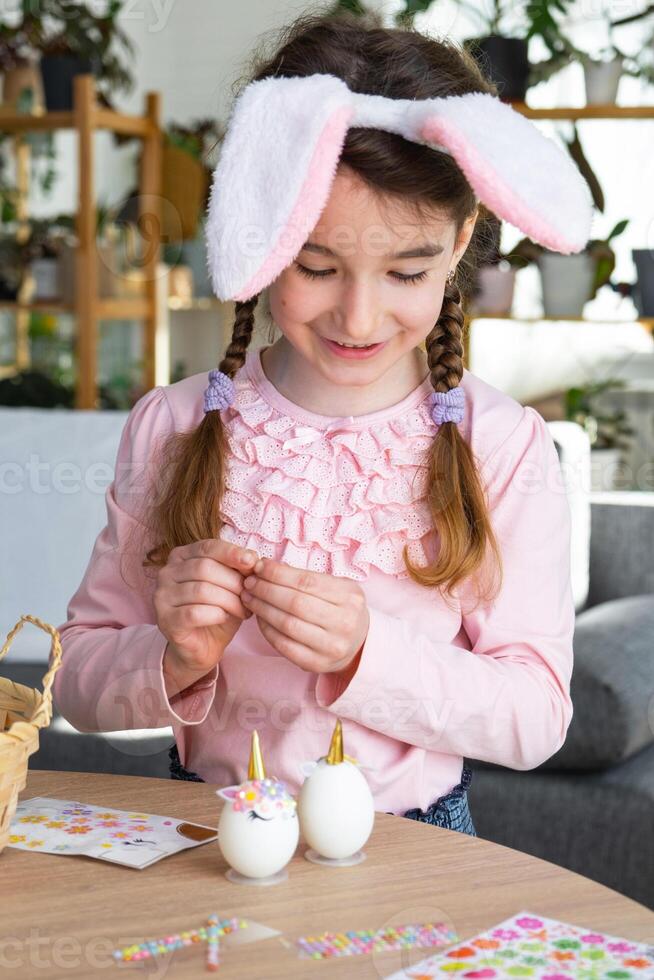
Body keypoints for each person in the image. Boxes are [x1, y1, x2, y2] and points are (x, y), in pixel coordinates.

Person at [53, 12, 579, 838]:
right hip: (207, 844)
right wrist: (171, 656)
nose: (360, 317)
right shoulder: (175, 424)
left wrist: (371, 653)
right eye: (317, 266)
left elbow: (537, 714)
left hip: (419, 849)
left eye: (407, 270)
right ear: (258, 235)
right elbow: (76, 680)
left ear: (460, 244)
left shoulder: (501, 444)